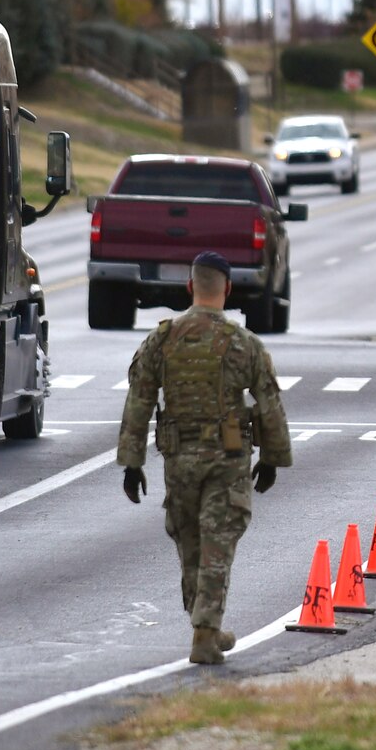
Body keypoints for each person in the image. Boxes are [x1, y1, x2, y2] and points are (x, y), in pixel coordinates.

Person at [118, 251, 292, 665]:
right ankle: (205, 630)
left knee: (192, 542)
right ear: (227, 290)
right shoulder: (242, 343)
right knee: (218, 542)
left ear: (189, 287)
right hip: (227, 458)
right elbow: (269, 402)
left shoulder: (161, 339)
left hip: (178, 460)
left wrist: (132, 462)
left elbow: (139, 400)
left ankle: (205, 627)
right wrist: (272, 458)